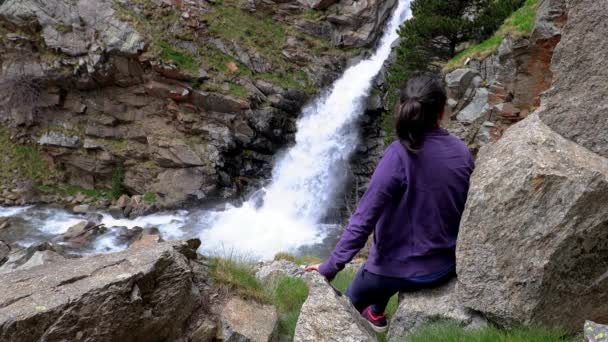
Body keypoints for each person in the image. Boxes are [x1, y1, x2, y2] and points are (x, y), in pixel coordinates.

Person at [305, 73, 475, 333]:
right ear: (442, 111)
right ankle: (376, 312)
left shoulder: (399, 154)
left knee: (346, 308)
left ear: (404, 107)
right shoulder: (462, 151)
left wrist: (329, 267)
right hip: (444, 266)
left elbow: (363, 219)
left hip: (397, 271)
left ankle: (368, 314)